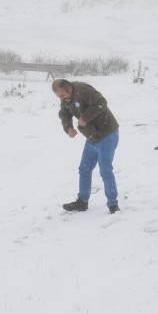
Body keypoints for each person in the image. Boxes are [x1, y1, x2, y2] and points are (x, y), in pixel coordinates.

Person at [52, 78, 121, 213]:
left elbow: (101, 103)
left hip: (107, 133)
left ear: (69, 89)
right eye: (58, 96)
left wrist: (84, 117)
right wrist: (68, 128)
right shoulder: (66, 99)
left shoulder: (83, 90)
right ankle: (82, 202)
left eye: (61, 94)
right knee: (84, 169)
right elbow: (64, 114)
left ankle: (113, 205)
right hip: (92, 137)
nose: (60, 98)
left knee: (105, 170)